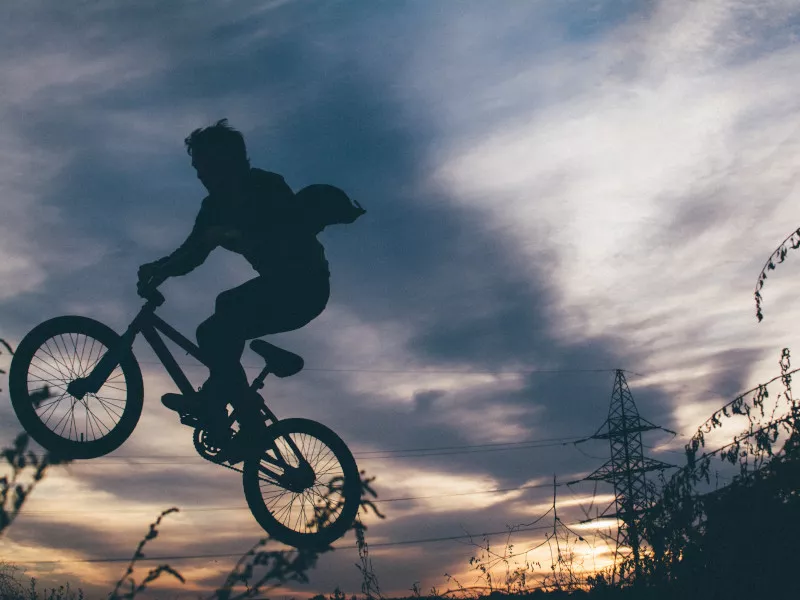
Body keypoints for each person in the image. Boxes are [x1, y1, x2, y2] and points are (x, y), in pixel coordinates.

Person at [137, 119, 332, 433]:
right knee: (218, 330)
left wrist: (234, 233)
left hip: (306, 286)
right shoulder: (212, 207)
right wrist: (160, 269)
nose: (199, 174)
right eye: (196, 167)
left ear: (226, 161)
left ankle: (240, 416)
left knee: (224, 311)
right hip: (276, 287)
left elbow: (286, 234)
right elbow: (192, 252)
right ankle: (220, 407)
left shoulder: (268, 186)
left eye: (203, 165)